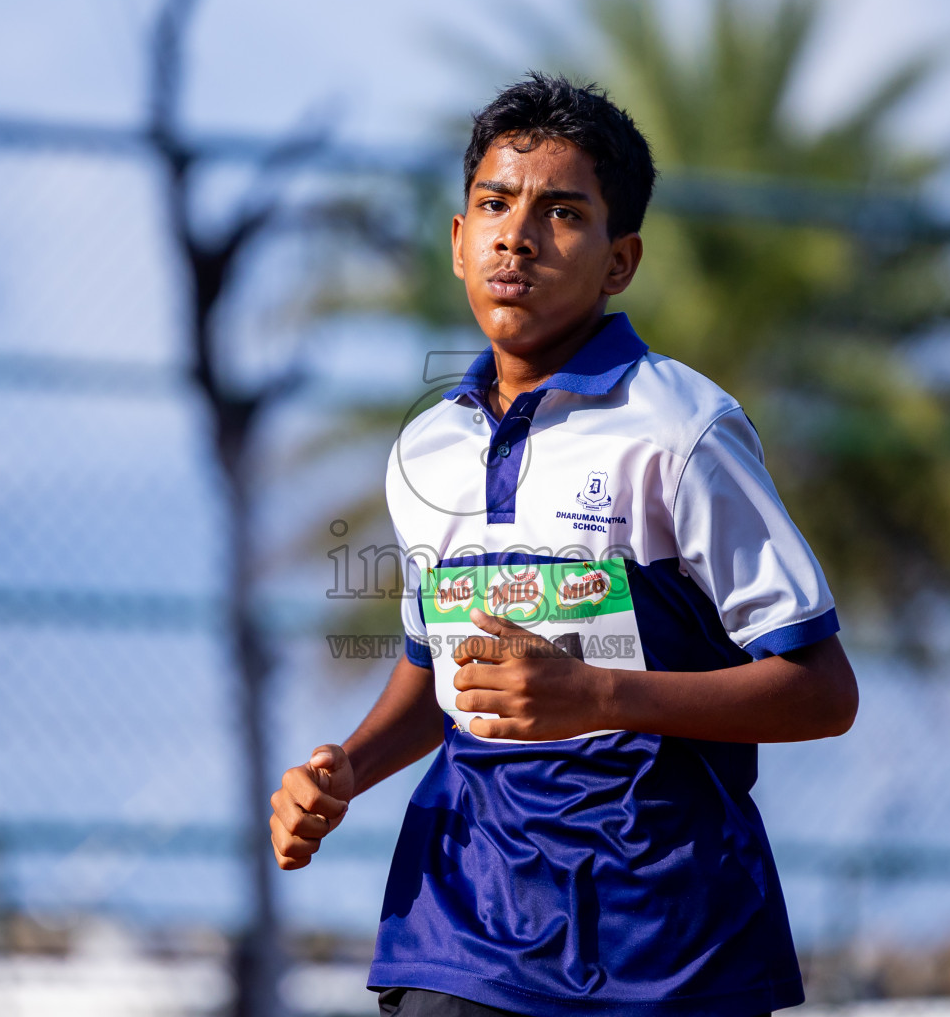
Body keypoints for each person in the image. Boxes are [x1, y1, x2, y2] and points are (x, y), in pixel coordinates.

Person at [270, 73, 858, 1017]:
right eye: (495, 204)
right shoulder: (427, 448)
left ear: (619, 261)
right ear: (458, 241)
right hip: (460, 928)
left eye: (562, 213)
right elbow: (440, 681)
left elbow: (824, 691)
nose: (518, 235)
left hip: (663, 945)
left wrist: (597, 695)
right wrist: (347, 767)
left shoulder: (683, 429)